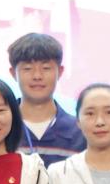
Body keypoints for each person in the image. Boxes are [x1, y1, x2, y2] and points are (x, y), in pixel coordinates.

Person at [8, 32, 84, 163]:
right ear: (13, 73)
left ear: (60, 72)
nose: (37, 76)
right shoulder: (0, 129)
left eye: (46, 68)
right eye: (27, 68)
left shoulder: (81, 132)